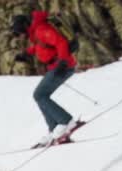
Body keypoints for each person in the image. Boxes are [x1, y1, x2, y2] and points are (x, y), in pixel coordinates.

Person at [12, 11, 80, 146]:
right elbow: (41, 45)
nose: (20, 35)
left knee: (40, 95)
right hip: (57, 66)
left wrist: (62, 62)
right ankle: (54, 129)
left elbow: (61, 42)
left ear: (25, 26)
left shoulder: (41, 29)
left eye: (19, 32)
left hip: (62, 66)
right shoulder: (36, 32)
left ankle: (65, 121)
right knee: (40, 95)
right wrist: (26, 53)